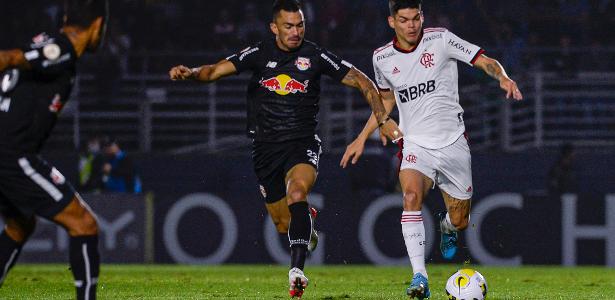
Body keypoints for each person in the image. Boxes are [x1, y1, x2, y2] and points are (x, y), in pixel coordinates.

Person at [169, 0, 401, 298]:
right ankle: (307, 226)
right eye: (289, 26)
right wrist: (190, 72)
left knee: (297, 193)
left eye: (300, 25)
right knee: (283, 224)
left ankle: (297, 272)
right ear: (274, 27)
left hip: (301, 143)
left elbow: (362, 81)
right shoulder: (259, 53)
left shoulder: (315, 56)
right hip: (265, 149)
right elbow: (213, 71)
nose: (295, 31)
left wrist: (382, 118)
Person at [340, 0, 523, 298]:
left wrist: (502, 76)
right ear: (392, 22)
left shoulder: (440, 39)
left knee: (461, 219)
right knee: (410, 196)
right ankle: (419, 279)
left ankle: (448, 227)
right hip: (415, 144)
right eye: (404, 20)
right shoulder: (382, 58)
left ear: (422, 16)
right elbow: (385, 101)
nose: (411, 25)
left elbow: (483, 59)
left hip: (452, 143)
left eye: (415, 18)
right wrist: (363, 137)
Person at [0, 1, 109, 299]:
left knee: (20, 224)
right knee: (83, 224)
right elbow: (8, 58)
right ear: (98, 25)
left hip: (10, 153)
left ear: (65, 18)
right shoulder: (60, 50)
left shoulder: (46, 43)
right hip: (12, 155)